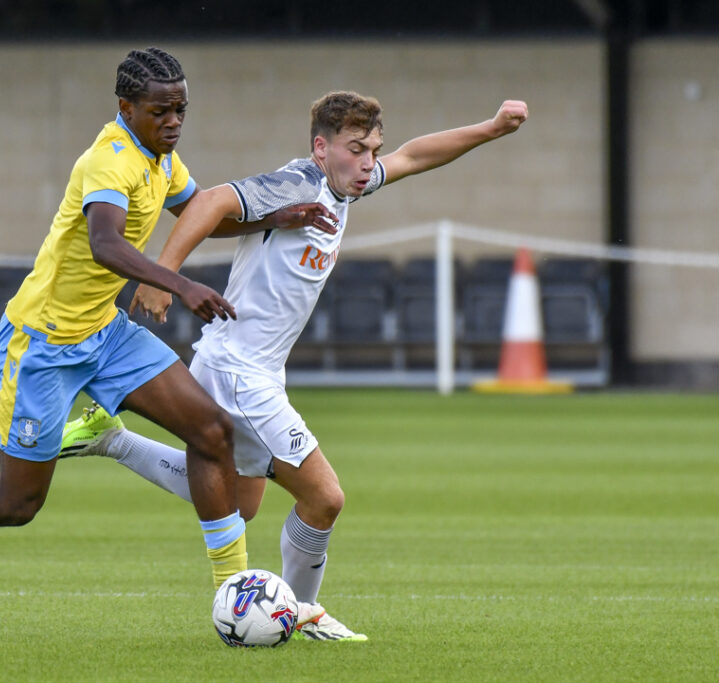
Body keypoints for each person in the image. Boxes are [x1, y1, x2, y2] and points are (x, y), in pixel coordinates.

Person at [0, 47, 337, 593]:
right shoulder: (110, 159)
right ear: (126, 107)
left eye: (181, 109)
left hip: (104, 334)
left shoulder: (161, 157)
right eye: (161, 111)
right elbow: (105, 242)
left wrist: (274, 218)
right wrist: (176, 283)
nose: (174, 122)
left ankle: (234, 592)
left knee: (211, 431)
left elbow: (197, 211)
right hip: (42, 344)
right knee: (14, 504)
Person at [58, 91, 529, 640]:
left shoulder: (347, 183)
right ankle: (302, 612)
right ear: (321, 147)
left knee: (235, 502)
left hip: (249, 366)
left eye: (373, 149)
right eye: (357, 149)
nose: (370, 162)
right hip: (240, 372)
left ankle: (110, 439)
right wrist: (162, 278)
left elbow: (415, 156)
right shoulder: (296, 183)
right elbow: (210, 202)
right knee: (325, 497)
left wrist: (491, 128)